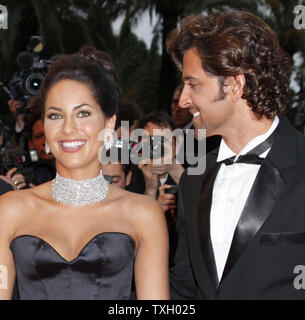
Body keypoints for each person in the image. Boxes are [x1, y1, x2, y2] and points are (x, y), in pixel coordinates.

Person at [0, 54, 169, 300]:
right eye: (55, 116)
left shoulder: (143, 213)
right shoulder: (11, 209)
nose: (68, 128)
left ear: (109, 124)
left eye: (83, 114)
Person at [166, 11, 305, 299]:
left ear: (234, 85)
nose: (183, 100)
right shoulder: (193, 179)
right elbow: (183, 289)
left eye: (193, 84)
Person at [138, 111, 184, 268]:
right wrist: (151, 190)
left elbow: (202, 207)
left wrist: (176, 170)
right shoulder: (128, 177)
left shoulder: (192, 175)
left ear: (176, 145)